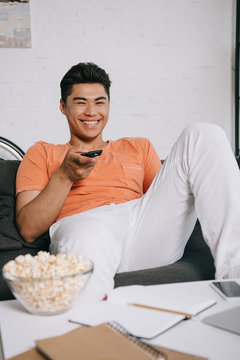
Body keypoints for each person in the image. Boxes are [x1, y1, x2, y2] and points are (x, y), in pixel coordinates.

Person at [16, 62, 240, 303]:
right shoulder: (42, 152)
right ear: (63, 106)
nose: (92, 112)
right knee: (89, 235)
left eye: (99, 102)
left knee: (203, 133)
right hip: (85, 226)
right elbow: (29, 230)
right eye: (81, 102)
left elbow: (171, 202)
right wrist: (64, 176)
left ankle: (235, 274)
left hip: (141, 226)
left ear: (109, 106)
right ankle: (92, 328)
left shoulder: (138, 147)